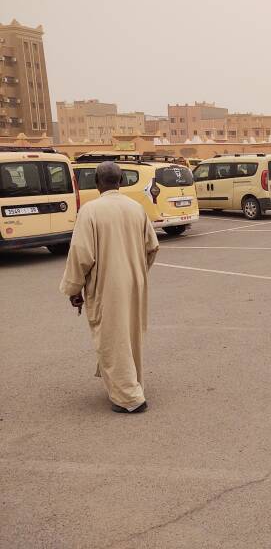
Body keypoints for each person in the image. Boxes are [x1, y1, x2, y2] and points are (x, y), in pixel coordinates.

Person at [60, 161, 160, 413]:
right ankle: (131, 382)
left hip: (107, 285)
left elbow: (81, 254)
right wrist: (137, 271)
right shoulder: (136, 208)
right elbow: (152, 247)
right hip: (134, 282)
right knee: (130, 335)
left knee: (113, 337)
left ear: (96, 182)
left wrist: (75, 289)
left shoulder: (90, 211)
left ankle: (130, 398)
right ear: (122, 181)